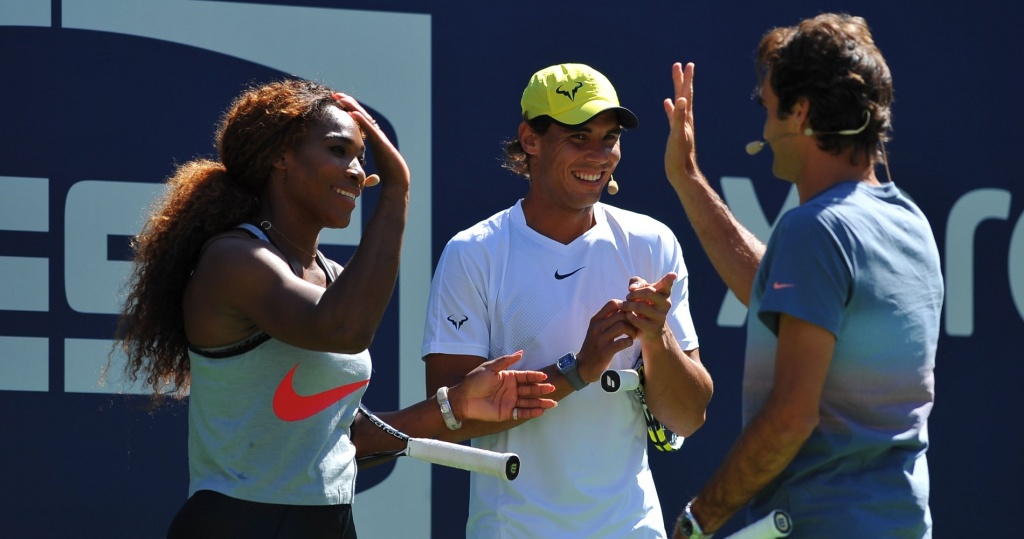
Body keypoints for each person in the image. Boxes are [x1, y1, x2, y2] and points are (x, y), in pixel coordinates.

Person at [113, 78, 557, 538]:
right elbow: (343, 330)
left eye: (361, 156)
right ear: (280, 156)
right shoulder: (234, 260)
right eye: (338, 150)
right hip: (238, 523)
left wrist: (453, 405)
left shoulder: (336, 279)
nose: (358, 171)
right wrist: (397, 192)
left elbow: (346, 439)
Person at [663, 14, 943, 538]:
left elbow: (791, 416)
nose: (766, 131)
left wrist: (699, 520)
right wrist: (688, 179)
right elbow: (779, 297)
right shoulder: (909, 222)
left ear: (803, 113)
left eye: (770, 110)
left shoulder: (813, 231)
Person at [421, 63, 714, 538]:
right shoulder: (474, 253)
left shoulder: (653, 243)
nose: (599, 155)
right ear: (530, 140)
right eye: (579, 136)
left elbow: (688, 416)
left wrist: (658, 341)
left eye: (610, 137)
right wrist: (579, 369)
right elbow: (445, 422)